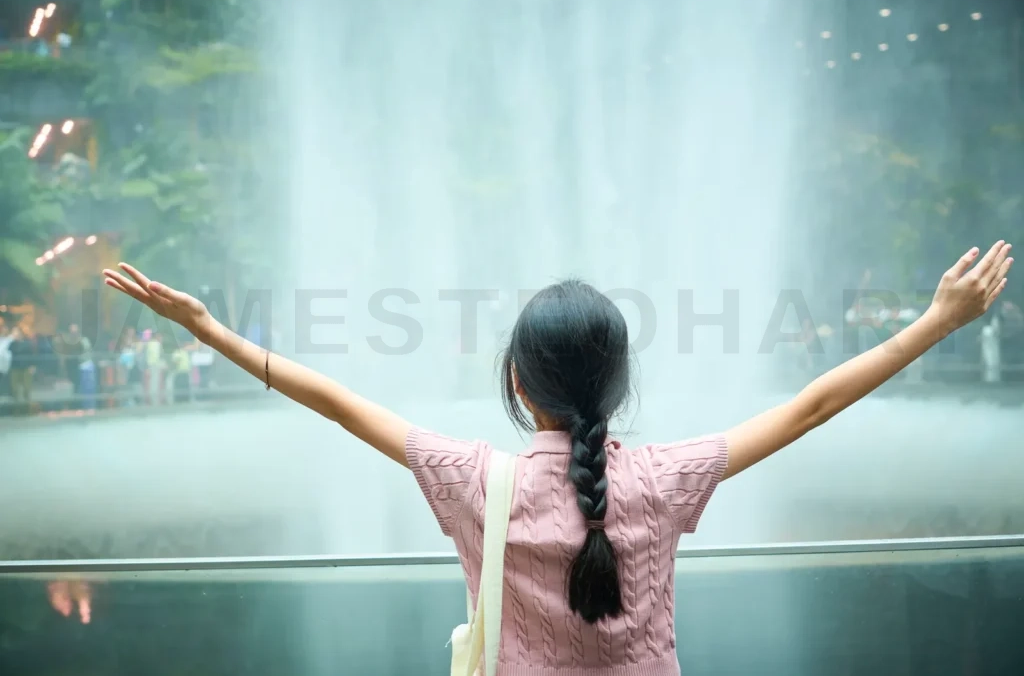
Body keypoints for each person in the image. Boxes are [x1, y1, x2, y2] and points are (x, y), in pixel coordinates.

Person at [102, 241, 1012, 676]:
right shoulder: (662, 478)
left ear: (515, 379)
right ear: (618, 383)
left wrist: (210, 329)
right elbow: (810, 406)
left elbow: (341, 406)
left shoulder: (475, 480)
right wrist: (937, 321)